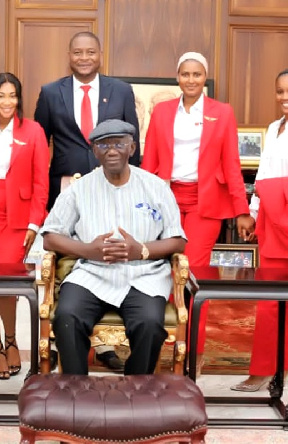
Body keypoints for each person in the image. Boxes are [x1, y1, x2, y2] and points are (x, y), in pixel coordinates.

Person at [41, 119, 187, 375]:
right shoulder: (80, 188)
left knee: (150, 324)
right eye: (103, 144)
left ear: (132, 148)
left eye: (119, 143)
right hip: (92, 273)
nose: (112, 150)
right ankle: (76, 391)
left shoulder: (155, 187)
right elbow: (50, 237)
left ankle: (135, 387)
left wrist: (141, 250)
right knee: (66, 317)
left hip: (145, 275)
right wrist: (89, 251)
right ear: (94, 150)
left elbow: (178, 240)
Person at [142, 51, 255, 376]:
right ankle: (160, 340)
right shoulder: (162, 112)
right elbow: (149, 161)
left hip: (206, 204)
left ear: (204, 78)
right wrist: (142, 204)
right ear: (177, 77)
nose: (191, 80)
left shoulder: (222, 112)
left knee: (194, 272)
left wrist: (242, 211)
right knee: (161, 270)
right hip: (167, 200)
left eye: (197, 74)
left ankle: (194, 352)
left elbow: (231, 164)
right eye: (185, 74)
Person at [34, 31, 140, 370]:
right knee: (68, 259)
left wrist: (131, 188)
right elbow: (39, 145)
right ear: (69, 54)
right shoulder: (51, 93)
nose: (84, 57)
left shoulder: (120, 91)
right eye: (78, 52)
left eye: (90, 52)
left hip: (112, 188)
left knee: (106, 255)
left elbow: (132, 143)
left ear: (100, 54)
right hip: (66, 189)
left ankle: (106, 344)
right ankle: (65, 336)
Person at [231, 69, 288, 392]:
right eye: (280, 91)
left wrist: (275, 198)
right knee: (280, 298)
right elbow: (264, 176)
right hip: (271, 218)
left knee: (271, 299)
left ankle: (263, 371)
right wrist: (256, 214)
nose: (285, 97)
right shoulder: (274, 128)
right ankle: (283, 366)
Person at [0, 72, 49, 379]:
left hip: (16, 218)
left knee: (6, 285)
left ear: (19, 98)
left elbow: (42, 182)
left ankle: (13, 340)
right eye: (1, 96)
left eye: (12, 95)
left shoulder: (34, 131)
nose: (7, 102)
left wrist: (34, 223)